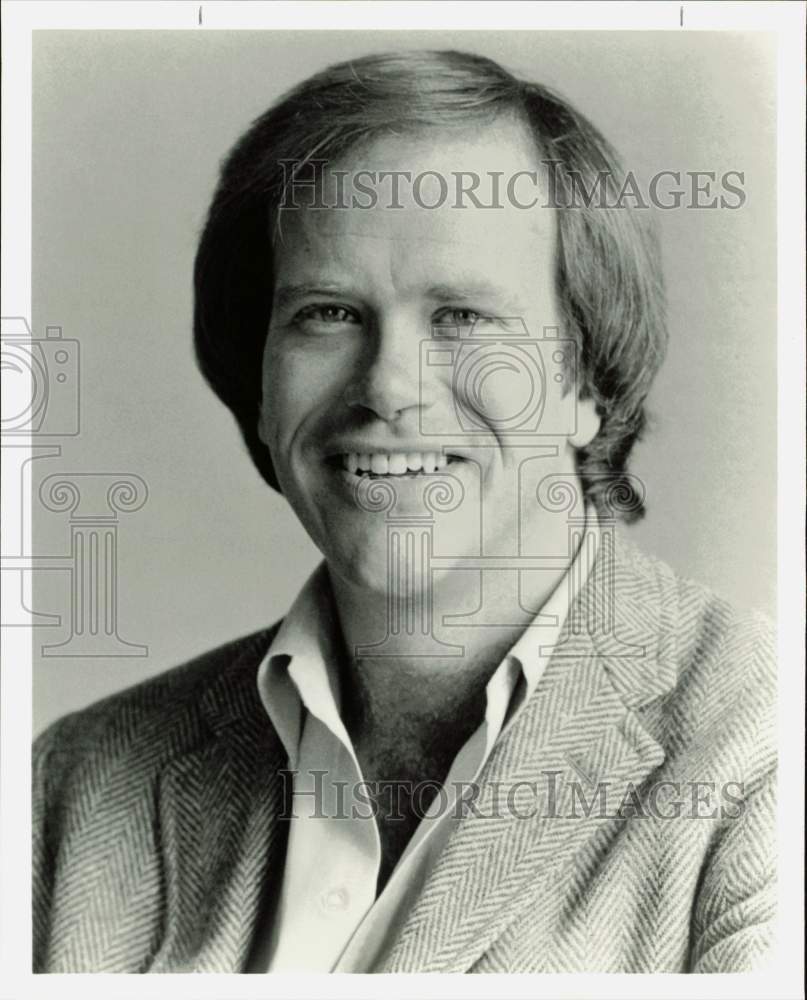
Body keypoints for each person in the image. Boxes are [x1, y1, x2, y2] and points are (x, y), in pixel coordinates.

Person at [32, 49, 776, 974]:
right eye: (327, 313)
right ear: (259, 384)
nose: (388, 386)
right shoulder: (77, 785)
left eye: (461, 316)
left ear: (584, 378)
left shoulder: (763, 750)